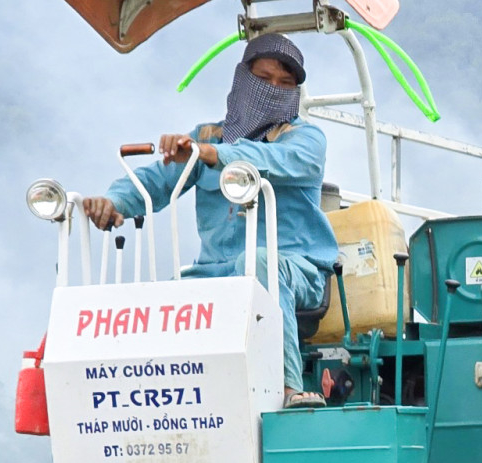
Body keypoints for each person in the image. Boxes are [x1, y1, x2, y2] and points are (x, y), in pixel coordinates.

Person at [82, 34, 335, 407]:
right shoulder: (204, 137)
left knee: (262, 261)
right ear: (242, 82)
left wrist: (213, 154)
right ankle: (157, 398)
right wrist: (115, 201)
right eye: (264, 80)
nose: (274, 91)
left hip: (297, 270)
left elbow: (276, 162)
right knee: (167, 294)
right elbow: (156, 180)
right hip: (217, 271)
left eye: (285, 85)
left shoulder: (306, 138)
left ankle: (286, 388)